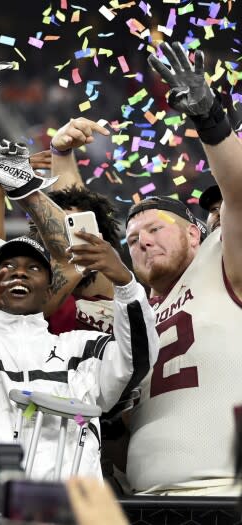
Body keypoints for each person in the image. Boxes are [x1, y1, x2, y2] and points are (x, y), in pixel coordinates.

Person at [0, 232, 158, 493]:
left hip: (73, 514)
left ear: (49, 292)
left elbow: (137, 359)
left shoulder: (83, 348)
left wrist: (125, 284)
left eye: (32, 268)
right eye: (7, 267)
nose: (19, 273)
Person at [123, 40, 242, 496]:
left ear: (195, 233)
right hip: (148, 501)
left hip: (220, 496)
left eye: (155, 228)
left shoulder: (220, 261)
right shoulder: (135, 308)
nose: (142, 241)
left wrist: (211, 122)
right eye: (132, 239)